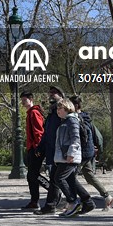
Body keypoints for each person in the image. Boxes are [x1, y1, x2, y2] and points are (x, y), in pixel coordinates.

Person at [49, 98, 95, 217]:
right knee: (71, 180)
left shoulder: (72, 121)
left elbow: (75, 139)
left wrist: (71, 154)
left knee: (58, 178)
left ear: (67, 108)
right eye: (57, 109)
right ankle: (88, 202)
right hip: (65, 157)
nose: (58, 111)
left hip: (70, 157)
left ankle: (73, 202)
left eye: (60, 108)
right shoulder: (65, 121)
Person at [70, 95, 113, 210]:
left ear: (75, 106)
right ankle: (107, 197)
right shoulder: (86, 118)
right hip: (88, 152)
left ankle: (75, 202)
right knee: (90, 176)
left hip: (82, 153)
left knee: (69, 177)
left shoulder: (76, 118)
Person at [35, 86, 67, 215]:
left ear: (61, 95)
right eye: (51, 93)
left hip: (61, 152)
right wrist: (40, 147)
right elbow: (46, 134)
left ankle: (51, 205)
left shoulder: (63, 113)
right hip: (52, 152)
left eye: (55, 93)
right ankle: (80, 201)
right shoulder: (51, 114)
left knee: (57, 179)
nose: (52, 95)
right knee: (58, 179)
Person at [21, 91, 45, 209]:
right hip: (32, 147)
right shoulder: (30, 113)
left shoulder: (34, 113)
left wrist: (38, 147)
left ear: (31, 99)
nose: (22, 102)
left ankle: (53, 190)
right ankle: (34, 201)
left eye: (24, 100)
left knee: (33, 174)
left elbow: (38, 132)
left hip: (35, 148)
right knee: (31, 176)